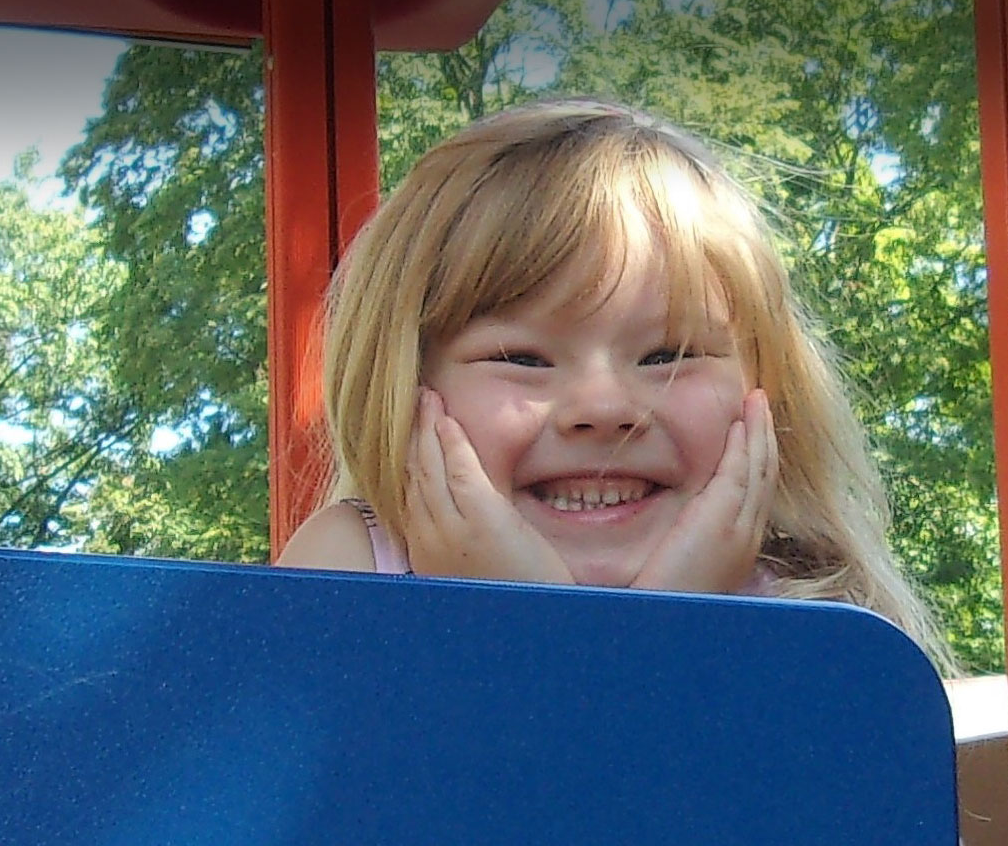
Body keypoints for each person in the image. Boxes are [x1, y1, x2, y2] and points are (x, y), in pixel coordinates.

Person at [276, 97, 950, 667]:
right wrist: (536, 625)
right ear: (403, 383)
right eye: (524, 357)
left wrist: (653, 634)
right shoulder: (352, 572)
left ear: (766, 387)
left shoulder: (821, 624)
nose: (603, 408)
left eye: (668, 354)